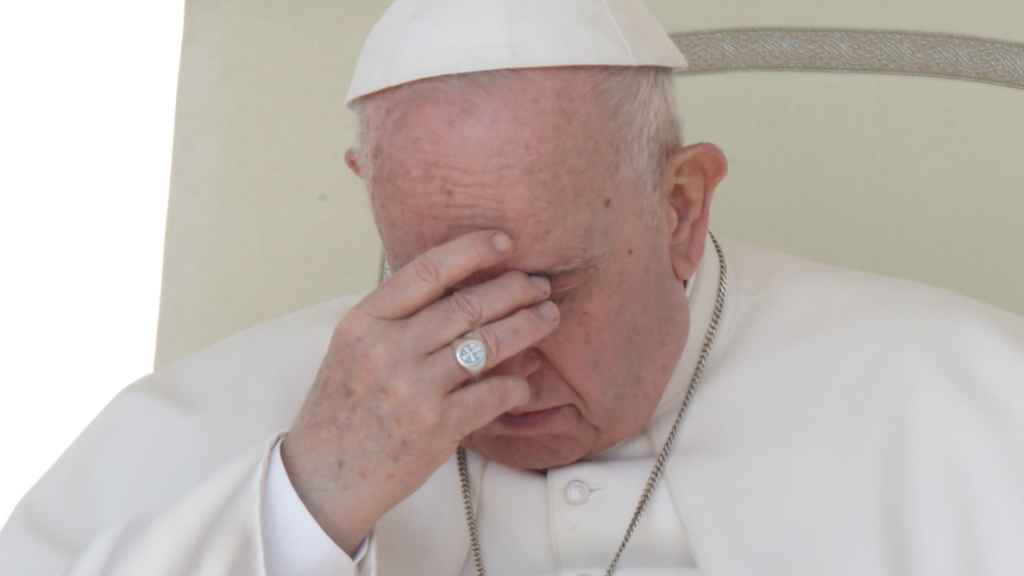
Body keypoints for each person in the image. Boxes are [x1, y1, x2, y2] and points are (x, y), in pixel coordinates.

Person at [3, 1, 1023, 574]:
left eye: (546, 286)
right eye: (436, 284)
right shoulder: (197, 422)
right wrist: (304, 502)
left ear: (679, 208)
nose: (493, 361)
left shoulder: (973, 401)